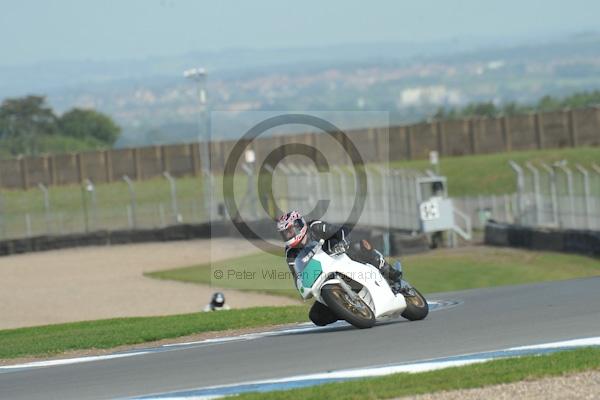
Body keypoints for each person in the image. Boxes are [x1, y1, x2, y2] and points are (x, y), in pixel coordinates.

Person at [276, 210, 403, 326]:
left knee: (361, 246)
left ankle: (390, 273)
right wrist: (301, 286)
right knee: (316, 316)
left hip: (341, 255)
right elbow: (297, 275)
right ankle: (348, 309)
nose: (288, 235)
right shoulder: (290, 253)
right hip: (323, 273)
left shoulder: (315, 227)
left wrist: (341, 242)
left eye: (290, 231)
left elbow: (339, 231)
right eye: (284, 234)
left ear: (299, 225)